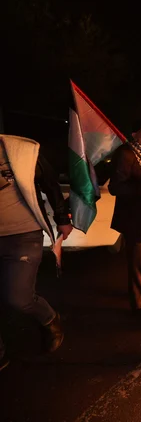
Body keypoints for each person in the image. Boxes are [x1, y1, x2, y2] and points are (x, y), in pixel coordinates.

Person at [0, 135, 73, 371]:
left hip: (23, 234)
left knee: (18, 298)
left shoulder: (19, 149)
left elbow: (50, 183)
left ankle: (50, 319)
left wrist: (62, 217)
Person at [109, 125, 141, 318]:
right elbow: (116, 187)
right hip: (135, 217)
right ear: (134, 134)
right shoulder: (126, 154)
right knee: (139, 262)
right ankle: (140, 306)